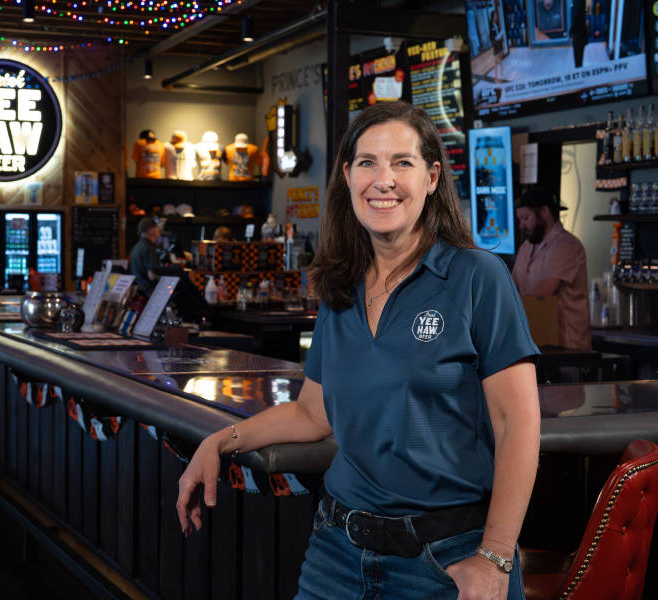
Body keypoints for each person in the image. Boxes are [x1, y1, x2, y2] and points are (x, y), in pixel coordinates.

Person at [176, 101, 541, 600]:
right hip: (337, 551)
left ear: (432, 177)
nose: (383, 180)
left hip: (447, 557)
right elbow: (313, 413)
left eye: (402, 162)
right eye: (368, 163)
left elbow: (518, 424)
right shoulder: (340, 287)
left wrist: (495, 558)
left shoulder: (477, 276)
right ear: (347, 177)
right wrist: (220, 441)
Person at [512, 186, 591, 350]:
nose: (521, 226)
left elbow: (543, 292)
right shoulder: (526, 247)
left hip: (568, 348)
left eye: (525, 218)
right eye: (520, 220)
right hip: (537, 343)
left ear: (544, 212)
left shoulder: (567, 246)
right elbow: (511, 287)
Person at [129, 217, 161, 294]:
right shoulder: (150, 248)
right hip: (149, 292)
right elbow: (152, 276)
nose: (158, 229)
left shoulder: (136, 246)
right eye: (156, 227)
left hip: (138, 291)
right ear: (151, 230)